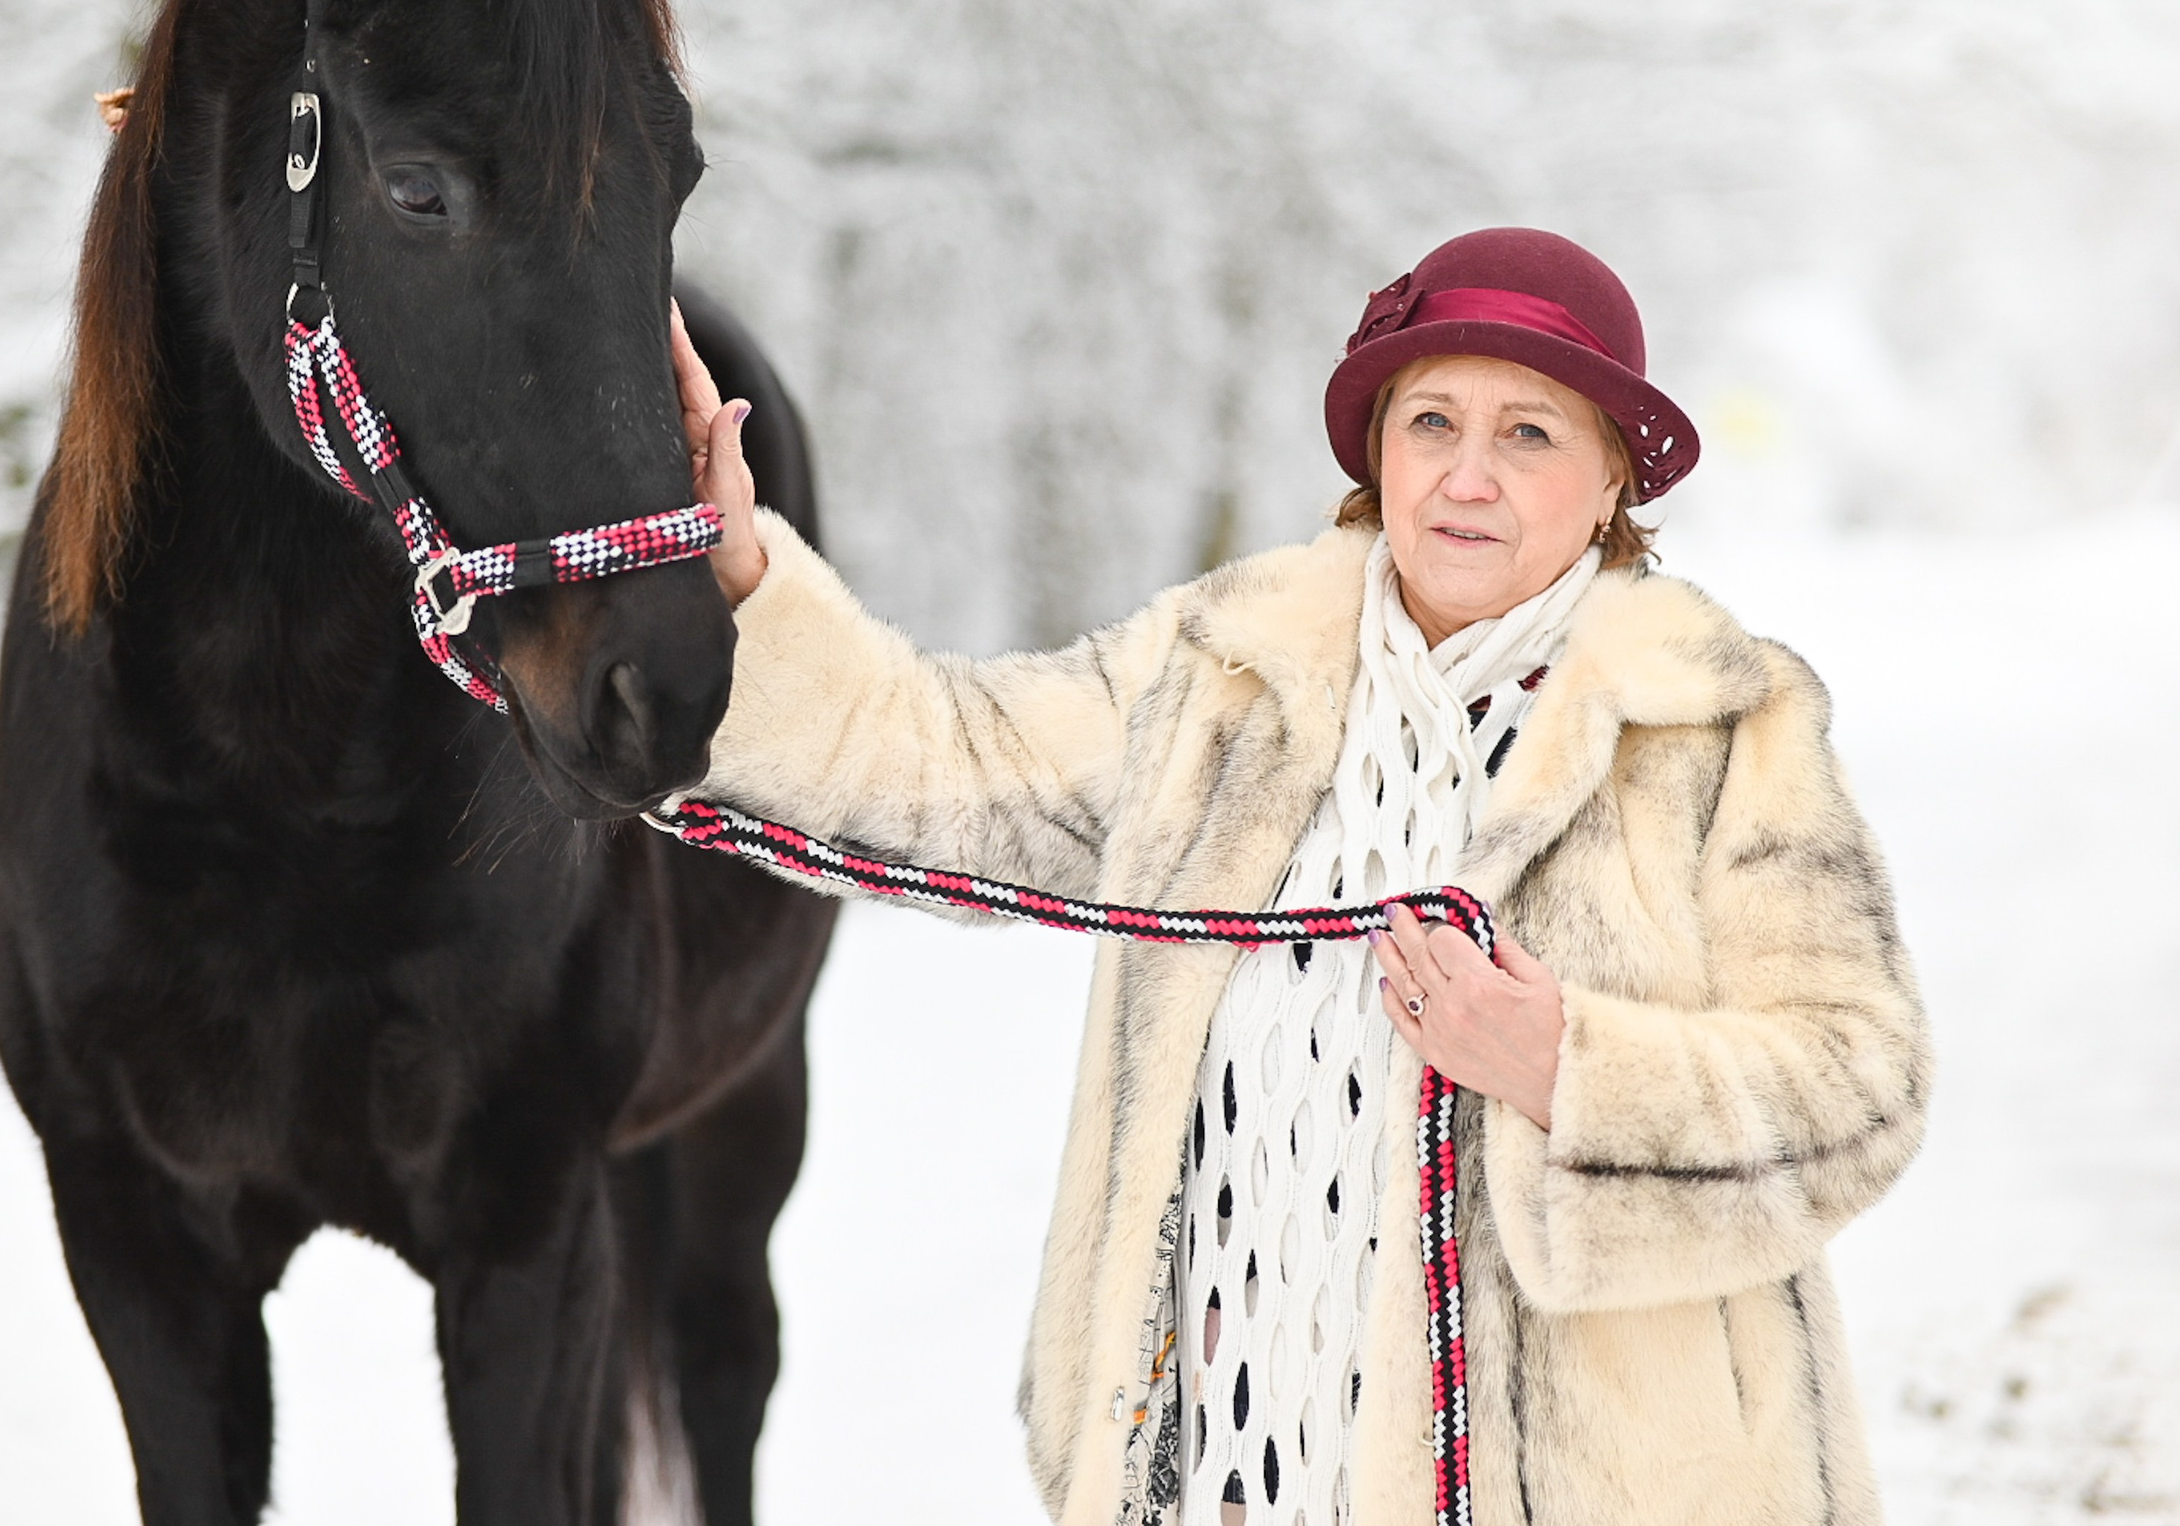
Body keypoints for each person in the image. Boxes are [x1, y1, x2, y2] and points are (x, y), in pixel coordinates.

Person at [670, 227, 1929, 1526]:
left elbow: (1860, 1082)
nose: (1469, 477)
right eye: (1432, 420)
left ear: (1615, 479)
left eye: (1531, 435)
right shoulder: (1227, 676)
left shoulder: (1715, 727)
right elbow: (947, 763)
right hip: (1238, 1461)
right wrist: (748, 577)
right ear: (1379, 453)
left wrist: (1569, 1066)